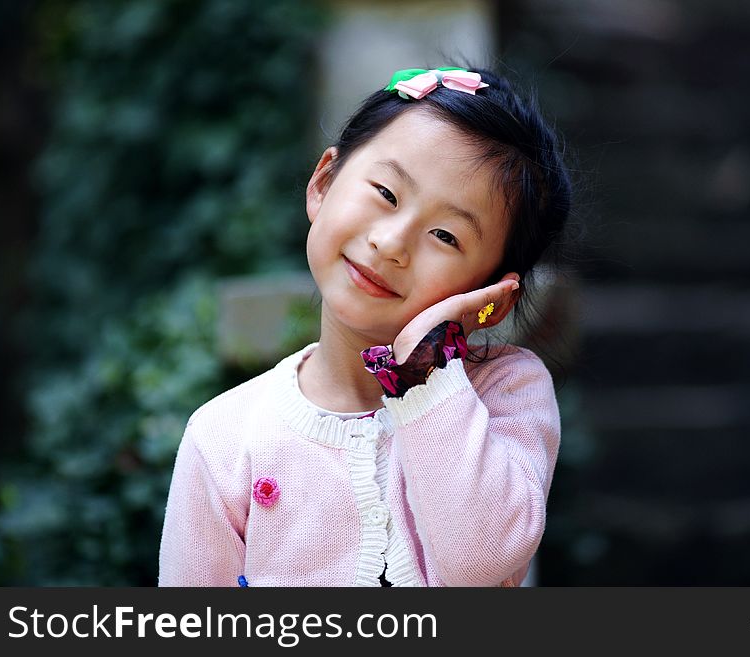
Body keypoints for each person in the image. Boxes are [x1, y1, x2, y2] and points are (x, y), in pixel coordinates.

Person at [158, 65, 574, 587]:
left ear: (491, 297)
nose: (392, 243)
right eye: (386, 193)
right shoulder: (224, 437)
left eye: (446, 236)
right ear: (324, 182)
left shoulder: (507, 395)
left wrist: (424, 366)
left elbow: (481, 562)